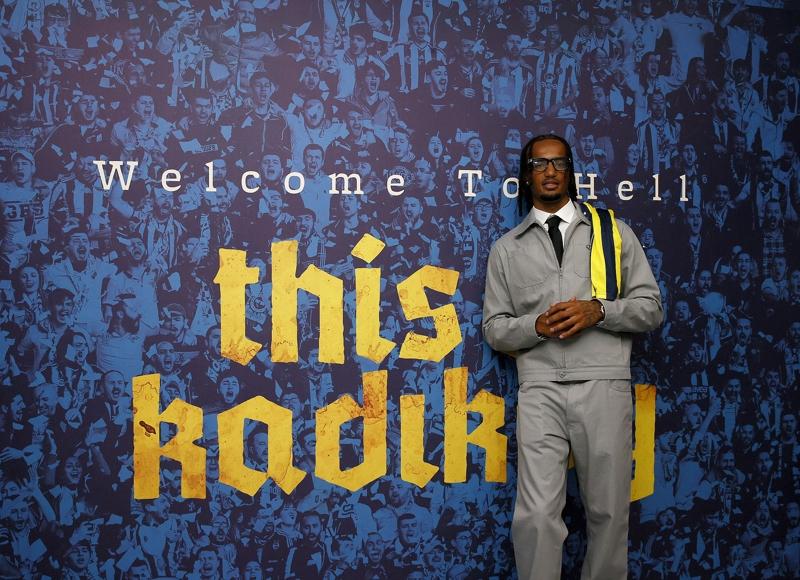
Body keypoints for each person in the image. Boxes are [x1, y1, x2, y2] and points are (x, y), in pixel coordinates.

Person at [482, 133, 663, 579]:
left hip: (604, 385)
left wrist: (599, 310)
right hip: (540, 389)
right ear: (526, 175)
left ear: (571, 172)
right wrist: (535, 326)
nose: (550, 172)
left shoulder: (613, 232)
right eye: (539, 164)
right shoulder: (507, 248)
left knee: (608, 511)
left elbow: (651, 309)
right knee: (535, 515)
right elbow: (494, 329)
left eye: (559, 163)